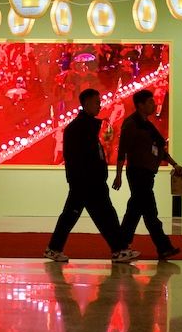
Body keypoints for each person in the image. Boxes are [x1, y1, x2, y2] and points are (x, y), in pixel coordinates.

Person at [44, 88, 140, 264]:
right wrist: (90, 177)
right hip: (87, 182)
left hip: (87, 181)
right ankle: (119, 250)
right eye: (97, 102)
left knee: (93, 215)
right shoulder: (80, 128)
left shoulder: (83, 127)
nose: (99, 105)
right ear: (87, 103)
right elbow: (82, 157)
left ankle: (118, 249)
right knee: (100, 215)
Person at [112, 89, 182, 259]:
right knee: (150, 212)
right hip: (137, 173)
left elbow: (159, 148)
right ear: (140, 105)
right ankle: (163, 247)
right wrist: (118, 175)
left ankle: (121, 245)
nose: (154, 104)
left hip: (147, 173)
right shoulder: (131, 124)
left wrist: (174, 164)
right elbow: (123, 151)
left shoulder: (147, 125)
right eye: (150, 102)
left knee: (135, 211)